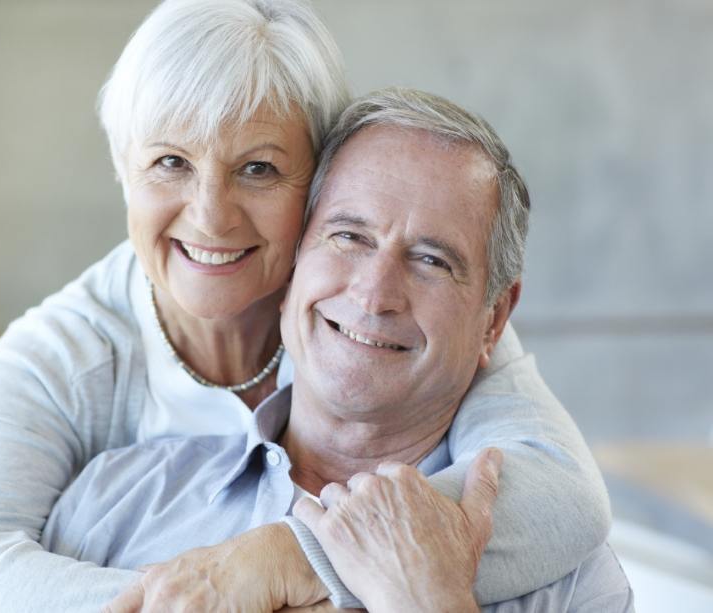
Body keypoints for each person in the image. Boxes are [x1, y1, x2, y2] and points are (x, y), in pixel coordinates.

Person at [0, 1, 610, 610]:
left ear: (322, 182)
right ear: (124, 173)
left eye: (259, 168)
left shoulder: (398, 314)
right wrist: (211, 590)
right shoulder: (71, 367)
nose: (209, 217)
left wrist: (285, 559)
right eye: (170, 161)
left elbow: (563, 494)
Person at [43, 87, 634, 613]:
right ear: (292, 267)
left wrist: (429, 600)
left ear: (494, 320)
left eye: (432, 260)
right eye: (349, 236)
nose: (375, 295)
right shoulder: (113, 502)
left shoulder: (567, 578)